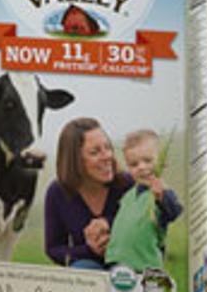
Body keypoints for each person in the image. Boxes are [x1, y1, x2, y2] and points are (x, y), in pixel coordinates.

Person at [37, 117, 139, 271]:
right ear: (75, 160)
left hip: (128, 260)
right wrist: (90, 250)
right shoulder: (57, 192)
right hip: (87, 263)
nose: (107, 156)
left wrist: (108, 225)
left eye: (107, 147)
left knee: (122, 271)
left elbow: (145, 228)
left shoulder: (127, 184)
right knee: (83, 269)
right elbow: (54, 248)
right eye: (95, 152)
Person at [101, 127, 183, 278]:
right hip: (118, 264)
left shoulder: (161, 192)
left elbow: (174, 212)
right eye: (134, 164)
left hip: (147, 267)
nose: (142, 167)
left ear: (163, 162)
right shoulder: (127, 197)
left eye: (148, 160)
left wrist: (161, 196)